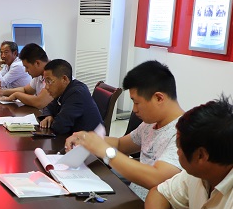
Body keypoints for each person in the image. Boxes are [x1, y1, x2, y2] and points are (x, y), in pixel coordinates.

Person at [65, 60, 184, 200]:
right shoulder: (150, 124)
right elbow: (121, 144)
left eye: (137, 102)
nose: (134, 109)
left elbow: (157, 178)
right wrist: (88, 139)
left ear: (159, 98)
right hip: (133, 198)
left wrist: (106, 151)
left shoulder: (184, 132)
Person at [38, 59, 102, 136]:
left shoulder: (77, 93)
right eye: (45, 82)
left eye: (49, 81)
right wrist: (49, 116)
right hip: (74, 137)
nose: (46, 87)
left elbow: (60, 127)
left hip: (90, 141)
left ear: (64, 79)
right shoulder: (63, 90)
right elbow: (49, 107)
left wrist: (53, 120)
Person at [0, 43, 52, 109]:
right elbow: (25, 90)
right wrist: (2, 92)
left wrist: (16, 95)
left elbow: (39, 102)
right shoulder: (39, 75)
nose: (26, 70)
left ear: (37, 63)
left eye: (27, 67)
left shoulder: (52, 74)